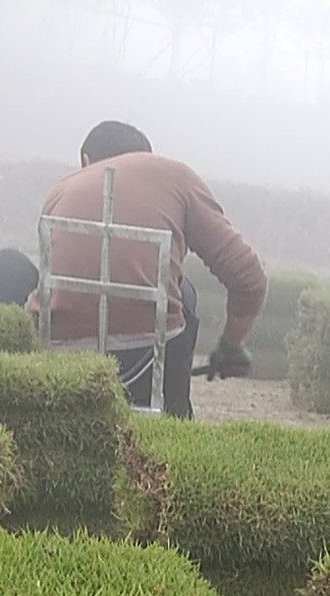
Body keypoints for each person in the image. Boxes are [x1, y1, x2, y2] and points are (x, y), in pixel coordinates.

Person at [34, 121, 267, 417]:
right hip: (145, 360)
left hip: (58, 354)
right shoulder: (175, 176)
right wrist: (230, 347)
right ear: (147, 156)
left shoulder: (63, 186)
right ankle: (174, 407)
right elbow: (250, 280)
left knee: (6, 265)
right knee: (182, 291)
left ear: (86, 162)